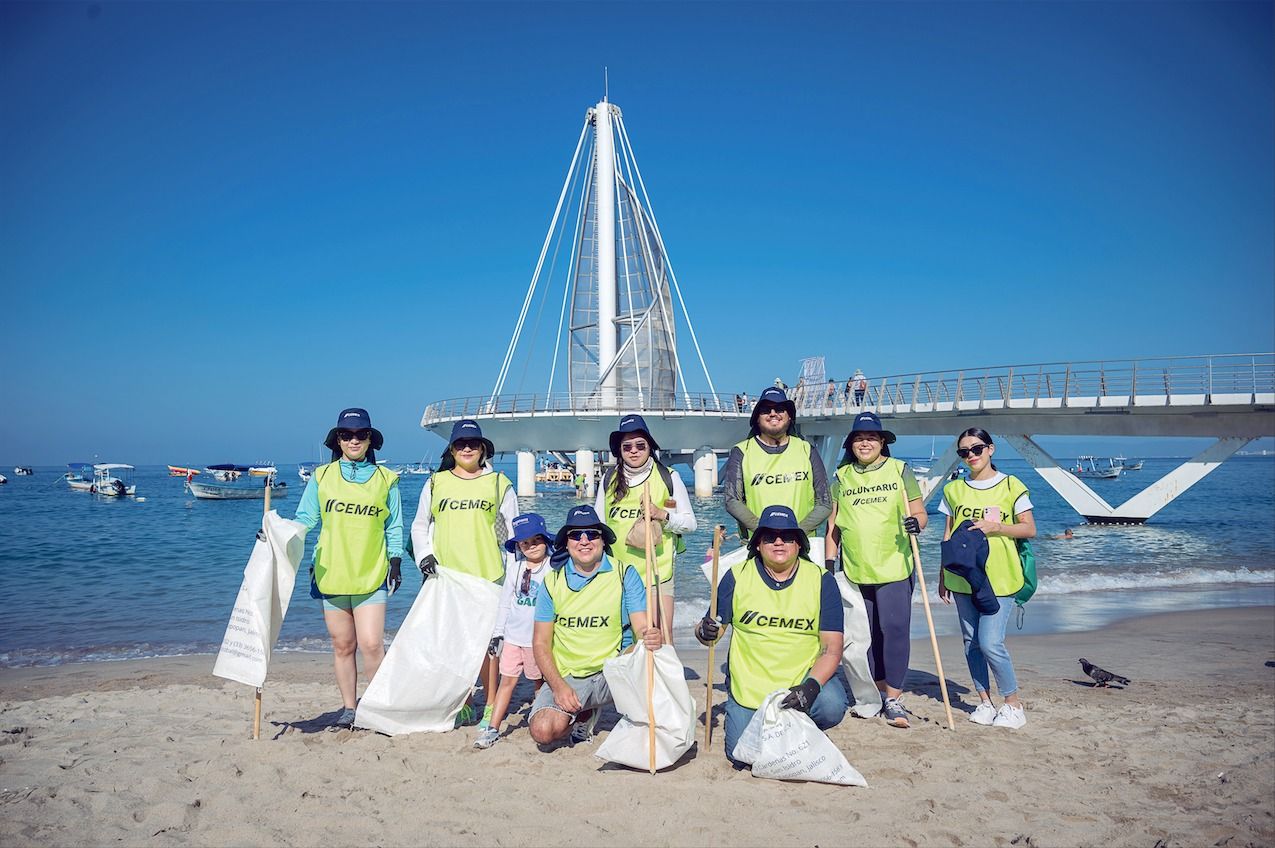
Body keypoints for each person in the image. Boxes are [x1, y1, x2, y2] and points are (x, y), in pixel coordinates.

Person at [695, 506, 847, 765]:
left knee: (832, 705)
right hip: (751, 688)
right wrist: (704, 629)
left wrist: (809, 688)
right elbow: (710, 634)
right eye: (769, 536)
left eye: (787, 536)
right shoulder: (736, 576)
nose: (779, 542)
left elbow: (832, 648)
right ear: (758, 544)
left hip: (798, 683)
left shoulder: (821, 580)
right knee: (740, 754)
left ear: (799, 544)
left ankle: (799, 721)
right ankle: (783, 729)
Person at [295, 408, 403, 729]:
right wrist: (277, 534)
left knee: (371, 644)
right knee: (343, 645)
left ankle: (378, 706)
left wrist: (395, 560)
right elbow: (305, 519)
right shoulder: (321, 477)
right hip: (331, 573)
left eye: (360, 434)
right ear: (338, 440)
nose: (354, 440)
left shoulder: (387, 480)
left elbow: (394, 526)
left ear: (370, 439)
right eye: (347, 435)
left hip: (371, 574)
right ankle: (349, 708)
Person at [410, 418, 518, 728]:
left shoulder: (499, 482)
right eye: (460, 444)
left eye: (473, 443)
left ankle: (491, 702)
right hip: (448, 577)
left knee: (488, 646)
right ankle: (465, 700)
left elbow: (513, 531)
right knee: (454, 643)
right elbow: (420, 524)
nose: (467, 448)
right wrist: (424, 556)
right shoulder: (435, 482)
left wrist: (517, 572)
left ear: (483, 448)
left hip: (488, 575)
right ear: (452, 449)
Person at [824, 412, 927, 728]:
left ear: (882, 441)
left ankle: (894, 698)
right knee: (865, 636)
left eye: (871, 437)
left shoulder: (900, 471)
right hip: (855, 568)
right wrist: (829, 565)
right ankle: (875, 692)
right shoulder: (841, 478)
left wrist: (917, 523)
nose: (864, 442)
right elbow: (833, 527)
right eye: (858, 438)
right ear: (851, 444)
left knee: (893, 630)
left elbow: (920, 512)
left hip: (894, 565)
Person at [529, 505, 662, 747]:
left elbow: (642, 626)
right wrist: (558, 686)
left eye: (591, 534)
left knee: (646, 650)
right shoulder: (553, 581)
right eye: (575, 535)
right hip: (568, 676)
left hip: (610, 673)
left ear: (602, 540)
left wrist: (650, 635)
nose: (584, 541)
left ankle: (637, 717)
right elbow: (540, 643)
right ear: (566, 543)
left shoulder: (624, 573)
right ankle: (584, 713)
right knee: (542, 731)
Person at [938, 427, 1037, 729]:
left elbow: (1029, 529)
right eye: (963, 452)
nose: (970, 456)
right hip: (962, 577)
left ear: (991, 449)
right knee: (971, 643)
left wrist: (997, 529)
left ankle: (1013, 704)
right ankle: (984, 701)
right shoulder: (953, 489)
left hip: (1000, 578)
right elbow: (948, 534)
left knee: (991, 642)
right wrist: (942, 575)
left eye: (976, 449)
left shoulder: (1011, 485)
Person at [595, 414, 696, 640]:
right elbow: (598, 526)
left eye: (640, 445)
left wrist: (662, 515)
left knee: (661, 637)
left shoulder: (669, 477)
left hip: (657, 574)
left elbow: (690, 523)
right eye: (627, 446)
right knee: (623, 638)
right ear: (619, 450)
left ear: (650, 446)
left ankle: (661, 677)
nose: (634, 450)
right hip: (618, 574)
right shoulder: (608, 479)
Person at [474, 513, 553, 749]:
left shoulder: (552, 567)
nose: (531, 546)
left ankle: (538, 719)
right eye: (525, 543)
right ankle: (493, 728)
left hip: (538, 640)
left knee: (539, 682)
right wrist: (498, 633)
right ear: (519, 546)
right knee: (507, 681)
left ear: (546, 540)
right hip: (512, 638)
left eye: (536, 540)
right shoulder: (515, 568)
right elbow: (505, 603)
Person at [721, 387, 832, 543]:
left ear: (789, 417)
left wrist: (796, 533)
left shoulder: (807, 449)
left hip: (801, 545)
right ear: (757, 419)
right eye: (766, 410)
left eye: (780, 409)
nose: (773, 413)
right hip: (759, 545)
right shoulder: (741, 451)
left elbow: (825, 503)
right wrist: (765, 532)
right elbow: (732, 500)